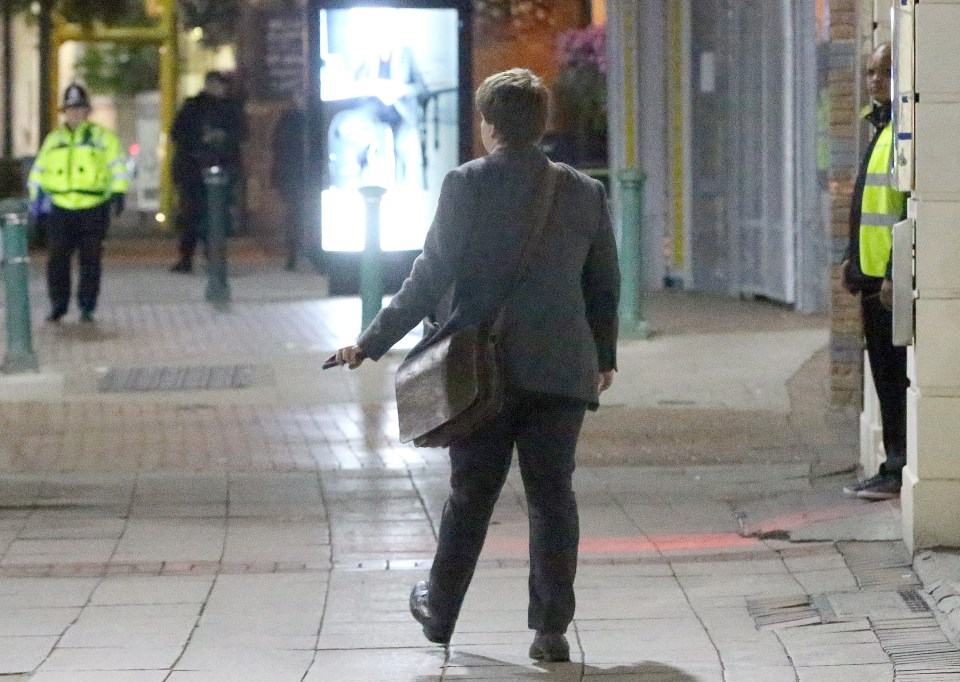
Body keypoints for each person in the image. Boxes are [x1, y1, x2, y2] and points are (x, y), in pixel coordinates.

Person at [331, 68, 620, 661]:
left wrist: (372, 341)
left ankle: (440, 611)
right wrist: (604, 356)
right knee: (552, 497)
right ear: (540, 124)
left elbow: (429, 275)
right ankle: (550, 632)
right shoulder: (584, 192)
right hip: (561, 369)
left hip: (482, 371)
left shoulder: (466, 184)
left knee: (471, 496)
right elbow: (604, 285)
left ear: (488, 125)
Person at [841, 42, 909, 501]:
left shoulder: (901, 131)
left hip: (890, 281)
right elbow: (868, 205)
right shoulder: (880, 128)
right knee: (883, 377)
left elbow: (904, 210)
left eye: (882, 71)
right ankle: (892, 463)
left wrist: (889, 271)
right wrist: (853, 258)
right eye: (869, 72)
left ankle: (898, 465)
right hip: (871, 277)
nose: (873, 80)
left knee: (894, 376)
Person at [28, 84, 128, 323]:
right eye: (71, 109)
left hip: (94, 206)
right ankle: (59, 306)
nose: (75, 113)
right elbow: (39, 172)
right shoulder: (54, 139)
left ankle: (87, 306)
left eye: (79, 108)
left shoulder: (103, 138)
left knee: (90, 259)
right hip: (61, 207)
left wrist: (118, 193)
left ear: (87, 111)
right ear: (65, 112)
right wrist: (36, 203)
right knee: (57, 259)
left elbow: (118, 166)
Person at [169, 71, 247, 273]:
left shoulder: (227, 108)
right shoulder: (194, 107)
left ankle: (209, 259)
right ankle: (191, 258)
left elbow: (240, 136)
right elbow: (178, 134)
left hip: (212, 172)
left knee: (211, 217)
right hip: (195, 172)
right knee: (194, 217)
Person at [271, 104, 322, 272]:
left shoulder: (290, 119)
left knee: (298, 216)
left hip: (297, 175)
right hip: (297, 175)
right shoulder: (293, 119)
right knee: (297, 216)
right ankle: (297, 253)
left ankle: (299, 253)